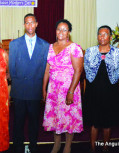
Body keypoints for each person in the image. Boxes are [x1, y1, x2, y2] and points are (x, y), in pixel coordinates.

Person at [9, 13, 49, 153]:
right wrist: (18, 83)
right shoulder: (14, 44)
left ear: (37, 24)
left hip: (35, 90)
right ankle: (18, 147)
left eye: (32, 22)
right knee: (18, 121)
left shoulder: (45, 45)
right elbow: (11, 68)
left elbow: (45, 68)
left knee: (34, 122)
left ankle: (33, 146)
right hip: (19, 89)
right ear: (24, 25)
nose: (30, 25)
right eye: (27, 23)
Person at [42, 19, 84, 153]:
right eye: (59, 29)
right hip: (53, 89)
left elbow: (78, 71)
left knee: (68, 117)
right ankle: (57, 144)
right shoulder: (50, 47)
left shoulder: (74, 48)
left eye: (64, 29)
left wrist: (71, 91)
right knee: (55, 117)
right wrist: (44, 88)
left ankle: (67, 146)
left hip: (68, 89)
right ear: (55, 31)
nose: (61, 32)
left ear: (69, 33)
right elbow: (47, 70)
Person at [83, 25, 119, 153]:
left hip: (110, 92)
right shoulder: (90, 51)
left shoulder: (118, 52)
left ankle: (106, 147)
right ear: (97, 36)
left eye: (105, 34)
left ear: (110, 37)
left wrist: (112, 77)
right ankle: (92, 147)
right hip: (93, 91)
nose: (102, 37)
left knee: (108, 122)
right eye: (100, 34)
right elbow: (86, 68)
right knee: (94, 122)